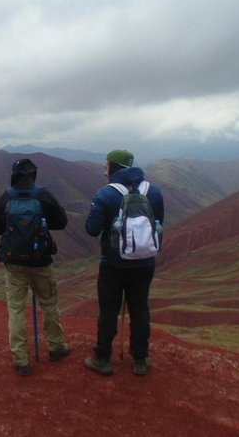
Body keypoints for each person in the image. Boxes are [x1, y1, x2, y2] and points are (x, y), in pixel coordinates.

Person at [84, 149, 164, 376]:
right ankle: (140, 360)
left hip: (113, 264)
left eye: (106, 166)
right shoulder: (154, 192)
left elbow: (91, 229)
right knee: (140, 309)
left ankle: (103, 358)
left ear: (114, 168)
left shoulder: (105, 194)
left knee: (109, 310)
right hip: (145, 263)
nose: (103, 171)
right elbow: (158, 225)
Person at [0, 158, 70, 376]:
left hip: (14, 263)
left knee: (16, 309)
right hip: (41, 261)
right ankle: (55, 348)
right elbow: (62, 222)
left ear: (13, 174)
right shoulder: (43, 195)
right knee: (50, 305)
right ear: (33, 174)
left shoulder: (5, 197)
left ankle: (21, 358)